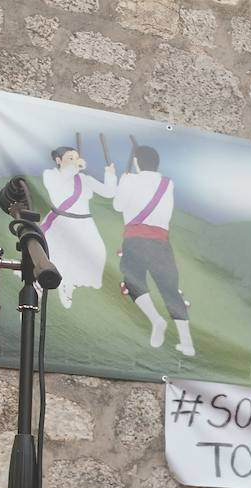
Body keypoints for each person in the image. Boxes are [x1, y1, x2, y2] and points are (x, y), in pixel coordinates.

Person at [112, 144, 194, 356]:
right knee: (170, 289)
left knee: (132, 281)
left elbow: (118, 206)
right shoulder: (168, 183)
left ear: (137, 161)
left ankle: (156, 320)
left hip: (135, 239)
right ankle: (187, 343)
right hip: (161, 242)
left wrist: (122, 181)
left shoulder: (130, 179)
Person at [40, 144, 116, 308]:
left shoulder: (83, 179)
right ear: (59, 160)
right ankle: (37, 289)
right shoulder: (51, 175)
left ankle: (69, 285)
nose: (75, 161)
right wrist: (75, 168)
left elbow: (108, 192)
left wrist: (110, 175)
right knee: (52, 256)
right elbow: (57, 188)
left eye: (76, 158)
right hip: (62, 222)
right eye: (70, 158)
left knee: (97, 253)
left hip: (85, 223)